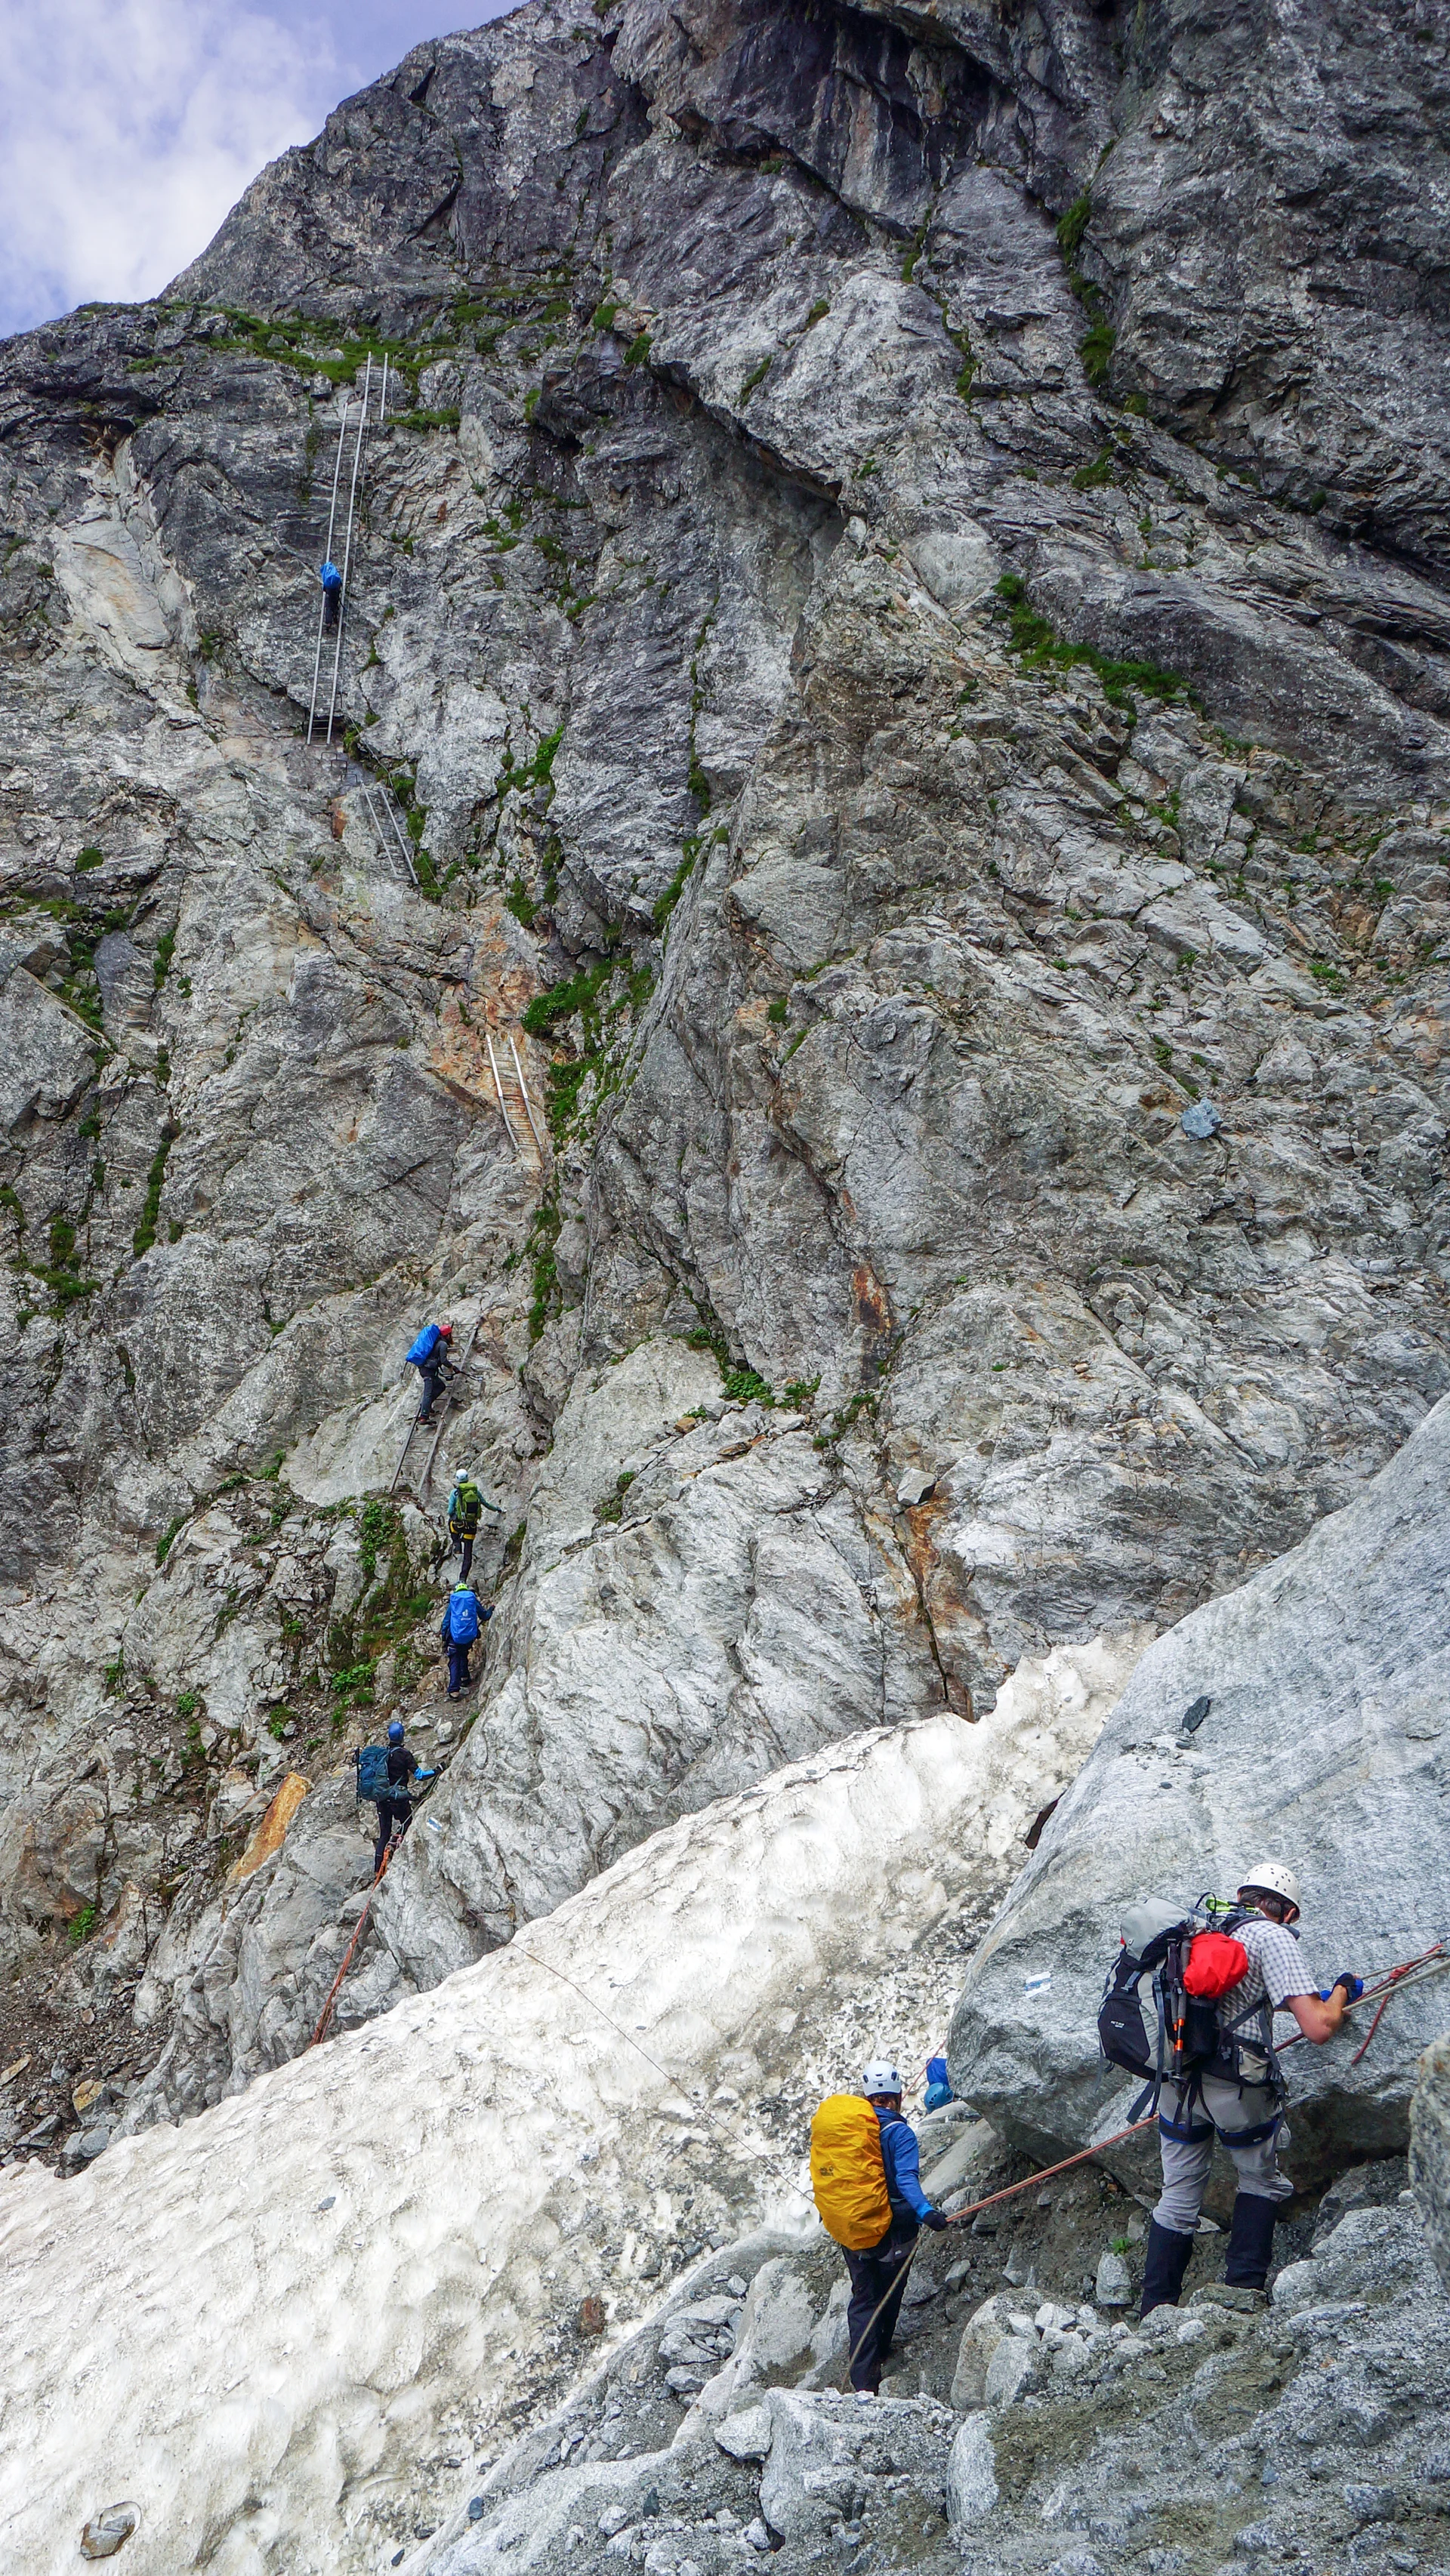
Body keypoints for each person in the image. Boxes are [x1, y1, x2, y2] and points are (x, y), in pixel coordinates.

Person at [1140, 1862, 1362, 2315]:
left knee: (1179, 2194)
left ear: (1245, 1895)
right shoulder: (1271, 1937)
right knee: (1259, 2179)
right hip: (1236, 2088)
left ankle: (1155, 2310)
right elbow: (1319, 2027)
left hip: (1176, 2080)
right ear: (1285, 1912)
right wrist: (1340, 1993)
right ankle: (1241, 2296)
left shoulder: (1199, 1927)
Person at [844, 2061, 949, 2400]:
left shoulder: (850, 2130)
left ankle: (862, 2382)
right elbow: (906, 2180)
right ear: (898, 2097)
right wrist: (926, 2212)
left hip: (854, 2228)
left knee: (863, 2298)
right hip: (894, 2230)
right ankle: (880, 2354)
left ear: (867, 2097)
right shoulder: (899, 2133)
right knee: (888, 2295)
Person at [371, 1718, 416, 1878]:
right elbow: (420, 1775)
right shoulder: (405, 1755)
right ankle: (396, 1846)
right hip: (398, 1799)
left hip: (382, 1799)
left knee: (384, 1833)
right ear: (402, 1736)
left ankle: (378, 1870)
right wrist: (438, 1770)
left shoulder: (382, 1754)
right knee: (408, 1822)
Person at [440, 1581, 490, 1699]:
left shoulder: (454, 1602)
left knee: (454, 1660)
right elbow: (485, 1616)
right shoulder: (472, 1600)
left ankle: (454, 1690)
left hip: (455, 1637)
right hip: (469, 1637)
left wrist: (444, 1638)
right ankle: (465, 1677)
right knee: (463, 1654)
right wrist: (491, 1609)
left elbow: (446, 1622)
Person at [447, 1465, 485, 1581]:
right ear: (468, 1478)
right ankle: (462, 1578)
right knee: (468, 1555)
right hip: (471, 1527)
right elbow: (485, 1503)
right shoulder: (475, 1492)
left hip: (458, 1526)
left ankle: (457, 1544)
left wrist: (455, 1517)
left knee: (450, 1523)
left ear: (457, 1479)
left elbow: (450, 1511)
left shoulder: (455, 1493)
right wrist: (497, 1509)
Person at [412, 1320, 455, 1423]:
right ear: (448, 1335)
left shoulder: (435, 1342)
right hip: (428, 1371)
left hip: (427, 1369)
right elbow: (443, 1360)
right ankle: (424, 1416)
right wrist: (452, 1367)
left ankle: (426, 1406)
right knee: (428, 1393)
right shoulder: (443, 1345)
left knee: (441, 1386)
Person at [320, 559, 343, 629]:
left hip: (329, 590)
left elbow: (325, 584)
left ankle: (328, 622)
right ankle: (335, 615)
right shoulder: (333, 571)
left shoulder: (325, 572)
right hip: (336, 589)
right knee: (335, 602)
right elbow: (339, 581)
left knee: (329, 606)